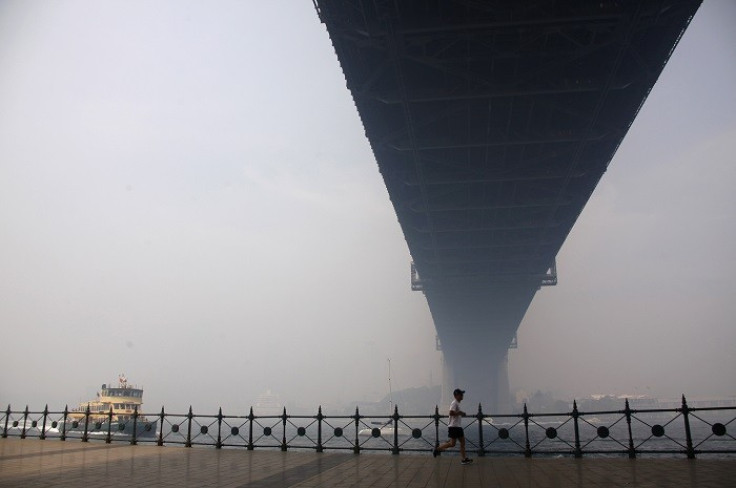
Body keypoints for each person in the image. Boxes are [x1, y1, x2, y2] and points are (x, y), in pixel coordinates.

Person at [433, 388, 472, 465]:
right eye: (461, 394)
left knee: (462, 443)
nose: (462, 395)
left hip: (457, 427)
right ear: (456, 395)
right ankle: (437, 449)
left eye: (462, 394)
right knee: (452, 444)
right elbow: (451, 413)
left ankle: (464, 459)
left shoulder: (457, 403)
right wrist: (460, 413)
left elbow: (454, 413)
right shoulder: (454, 403)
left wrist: (460, 413)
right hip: (453, 427)